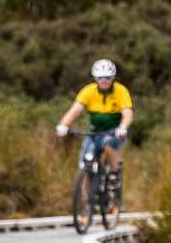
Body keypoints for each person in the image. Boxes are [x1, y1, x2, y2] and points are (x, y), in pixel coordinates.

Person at [55, 59, 134, 206]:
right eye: (100, 78)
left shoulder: (120, 91)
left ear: (113, 77)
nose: (104, 81)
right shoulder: (88, 91)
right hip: (95, 131)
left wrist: (123, 127)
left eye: (108, 78)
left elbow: (128, 113)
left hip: (115, 131)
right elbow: (75, 111)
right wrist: (63, 125)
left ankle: (114, 178)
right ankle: (87, 205)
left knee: (108, 145)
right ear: (95, 78)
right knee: (85, 164)